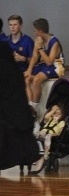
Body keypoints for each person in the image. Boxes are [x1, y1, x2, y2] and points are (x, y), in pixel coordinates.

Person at [0, 42, 40, 170]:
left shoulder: (3, 67)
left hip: (8, 111)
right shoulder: (15, 68)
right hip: (19, 110)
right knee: (22, 139)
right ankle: (35, 159)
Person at [25, 18, 63, 114]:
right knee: (27, 78)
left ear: (40, 31)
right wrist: (29, 70)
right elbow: (34, 56)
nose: (34, 33)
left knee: (36, 80)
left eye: (35, 31)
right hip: (44, 65)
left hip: (56, 67)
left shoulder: (54, 42)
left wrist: (40, 48)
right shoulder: (38, 40)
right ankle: (31, 106)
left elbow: (49, 62)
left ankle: (34, 110)